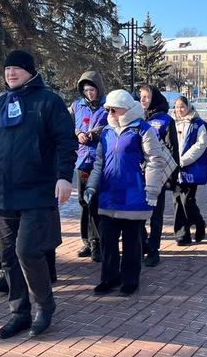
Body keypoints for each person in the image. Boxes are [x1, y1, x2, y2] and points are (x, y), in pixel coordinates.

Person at [0, 50, 77, 339]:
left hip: (38, 191)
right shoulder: (0, 103)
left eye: (17, 68)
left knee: (27, 250)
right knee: (7, 256)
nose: (10, 73)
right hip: (4, 191)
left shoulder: (48, 101)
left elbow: (66, 141)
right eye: (7, 69)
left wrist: (64, 176)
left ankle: (45, 305)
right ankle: (19, 312)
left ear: (30, 71)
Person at [85, 90, 168, 296]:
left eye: (113, 109)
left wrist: (152, 190)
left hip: (133, 193)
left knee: (132, 241)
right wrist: (91, 187)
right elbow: (98, 163)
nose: (110, 112)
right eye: (107, 109)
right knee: (108, 240)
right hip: (108, 194)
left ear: (126, 108)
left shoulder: (143, 129)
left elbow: (154, 161)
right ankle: (110, 277)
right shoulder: (106, 132)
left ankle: (130, 279)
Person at [69, 71, 108, 262]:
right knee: (84, 203)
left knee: (96, 202)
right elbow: (67, 125)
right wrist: (77, 133)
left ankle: (98, 242)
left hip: (100, 161)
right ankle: (86, 240)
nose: (89, 93)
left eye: (92, 90)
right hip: (82, 160)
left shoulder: (107, 106)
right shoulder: (77, 106)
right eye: (86, 90)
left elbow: (113, 126)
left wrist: (94, 133)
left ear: (99, 88)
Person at [139, 85, 179, 267]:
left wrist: (171, 178)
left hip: (158, 174)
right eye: (141, 96)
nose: (143, 100)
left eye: (146, 97)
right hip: (139, 174)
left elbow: (172, 151)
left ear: (154, 98)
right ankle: (142, 243)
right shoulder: (138, 118)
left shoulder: (165, 120)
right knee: (138, 212)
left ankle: (154, 249)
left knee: (156, 213)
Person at [172, 96, 207, 245]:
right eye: (177, 106)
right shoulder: (171, 123)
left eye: (182, 106)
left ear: (189, 107)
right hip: (174, 168)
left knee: (187, 201)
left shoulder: (198, 124)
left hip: (190, 168)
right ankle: (182, 234)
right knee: (177, 201)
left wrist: (184, 160)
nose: (179, 110)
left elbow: (200, 145)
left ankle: (199, 223)